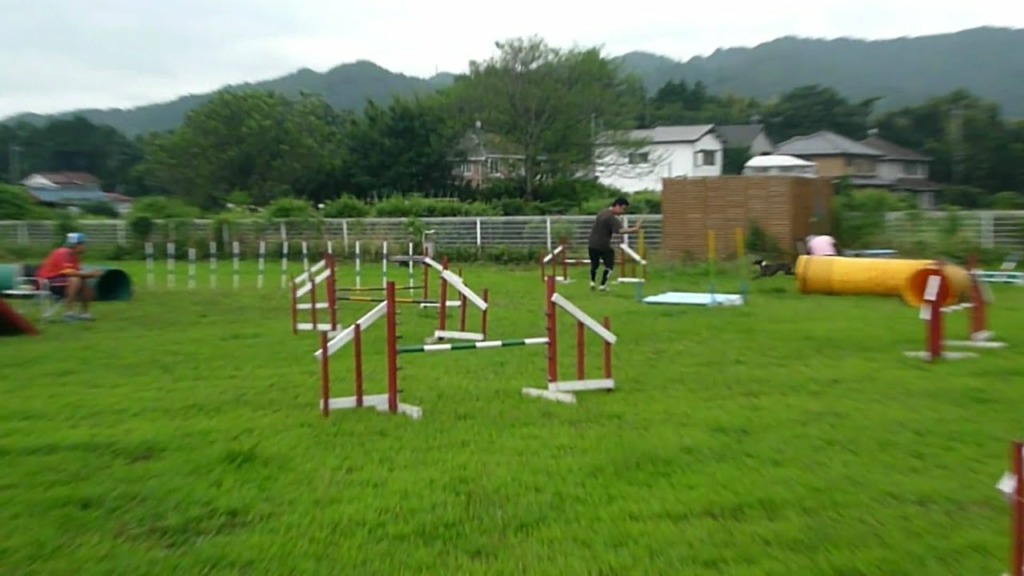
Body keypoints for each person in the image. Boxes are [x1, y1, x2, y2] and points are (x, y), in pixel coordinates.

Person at [35, 233, 101, 321]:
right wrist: (90, 274)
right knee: (76, 279)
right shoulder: (63, 253)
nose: (85, 247)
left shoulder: (73, 255)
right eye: (83, 244)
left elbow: (76, 272)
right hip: (46, 282)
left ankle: (84, 313)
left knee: (83, 280)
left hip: (58, 280)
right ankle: (69, 313)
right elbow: (69, 273)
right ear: (75, 245)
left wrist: (89, 275)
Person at [587, 197, 643, 291]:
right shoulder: (611, 218)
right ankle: (602, 285)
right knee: (609, 265)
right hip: (603, 244)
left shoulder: (601, 212)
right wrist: (635, 229)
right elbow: (620, 231)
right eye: (622, 209)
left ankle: (592, 282)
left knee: (594, 263)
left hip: (591, 243)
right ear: (617, 206)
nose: (622, 212)